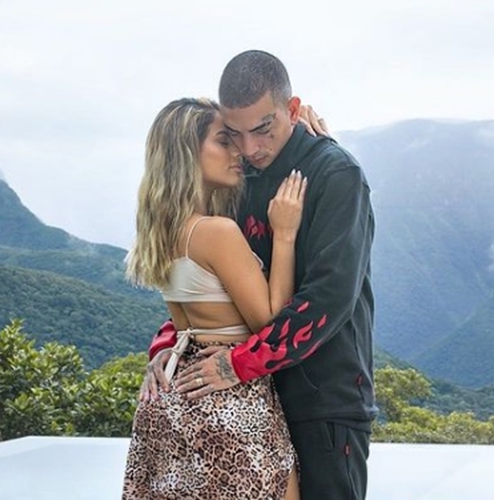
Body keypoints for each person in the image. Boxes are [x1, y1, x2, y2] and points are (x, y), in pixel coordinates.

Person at [146, 50, 377, 500]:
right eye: (235, 134)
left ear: (293, 109)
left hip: (322, 402)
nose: (250, 148)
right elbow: (215, 285)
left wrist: (238, 364)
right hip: (252, 402)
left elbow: (329, 298)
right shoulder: (239, 176)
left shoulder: (336, 174)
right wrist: (168, 346)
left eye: (264, 129)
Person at [121, 97, 308, 499]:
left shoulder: (160, 234)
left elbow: (185, 326)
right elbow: (270, 323)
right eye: (224, 141)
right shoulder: (216, 232)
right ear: (187, 154)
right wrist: (284, 234)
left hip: (174, 396)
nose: (238, 151)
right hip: (228, 398)